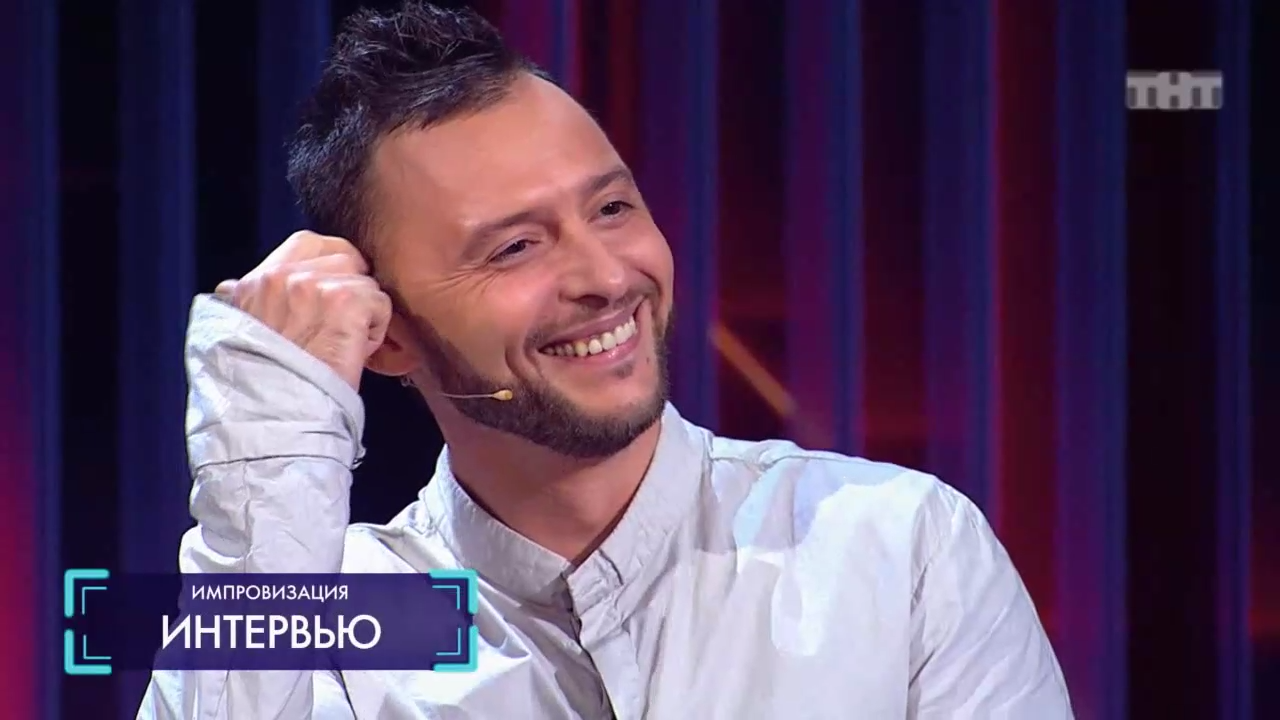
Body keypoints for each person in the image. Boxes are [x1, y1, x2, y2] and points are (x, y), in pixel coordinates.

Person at [137, 2, 1072, 718]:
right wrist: (271, 440)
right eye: (515, 248)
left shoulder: (896, 549)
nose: (606, 277)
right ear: (387, 332)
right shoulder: (335, 628)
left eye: (612, 208)